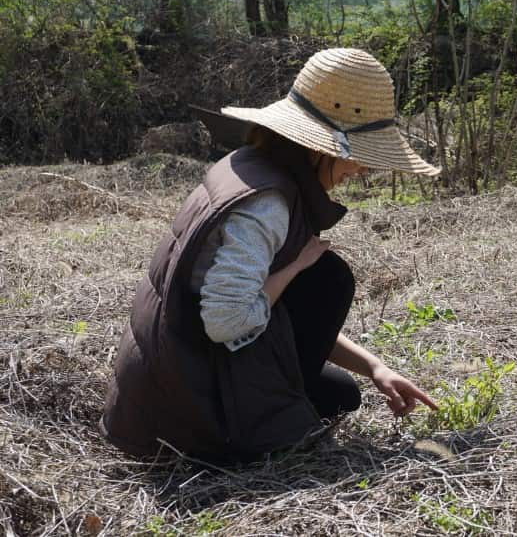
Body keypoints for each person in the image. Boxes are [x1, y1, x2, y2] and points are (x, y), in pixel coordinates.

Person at [101, 48, 440, 463]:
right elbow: (227, 322)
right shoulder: (267, 205)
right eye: (361, 157)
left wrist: (375, 368)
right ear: (323, 146)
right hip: (182, 412)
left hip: (165, 379)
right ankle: (253, 437)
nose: (364, 171)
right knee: (326, 279)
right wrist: (296, 266)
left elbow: (276, 315)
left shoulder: (250, 164)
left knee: (342, 393)